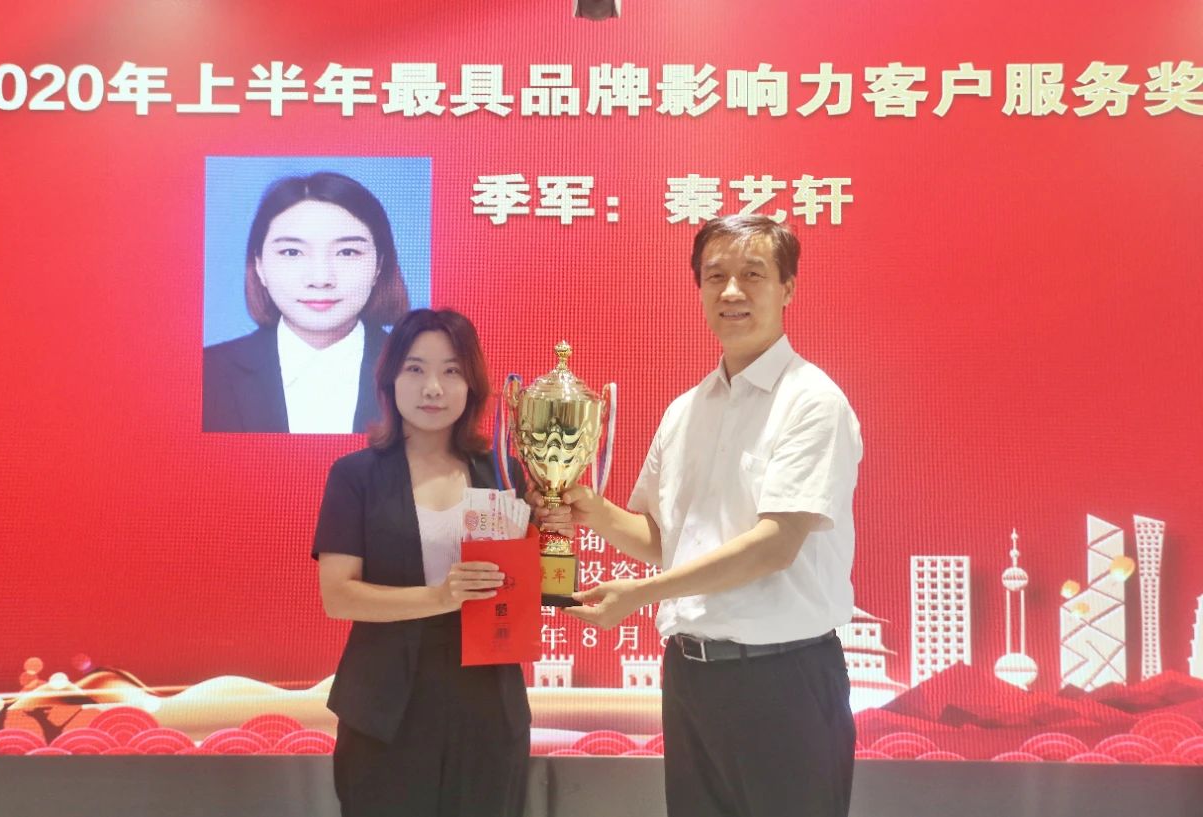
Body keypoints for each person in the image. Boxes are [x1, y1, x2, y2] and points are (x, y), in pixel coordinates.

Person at [544, 215, 862, 817]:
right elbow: (664, 539)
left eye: (752, 275)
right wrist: (593, 510)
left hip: (784, 680)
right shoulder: (685, 411)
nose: (732, 291)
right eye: (715, 276)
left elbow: (775, 544)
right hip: (690, 679)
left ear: (788, 288)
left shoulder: (813, 401)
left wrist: (642, 595)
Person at [311, 309, 530, 817]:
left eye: (451, 370)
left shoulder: (502, 472)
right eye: (415, 368)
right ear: (390, 379)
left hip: (487, 707)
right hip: (385, 709)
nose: (433, 387)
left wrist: (558, 530)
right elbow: (339, 595)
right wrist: (440, 597)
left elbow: (531, 583)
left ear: (472, 384)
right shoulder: (355, 475)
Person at [203, 171, 410, 433]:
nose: (320, 279)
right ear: (260, 265)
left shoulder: (418, 369)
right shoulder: (207, 373)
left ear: (378, 266)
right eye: (292, 252)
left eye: (347, 252)